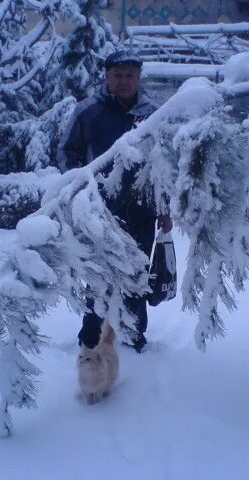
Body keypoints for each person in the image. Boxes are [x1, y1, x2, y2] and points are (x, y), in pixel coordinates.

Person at [57, 50, 172, 353]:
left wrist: (165, 207)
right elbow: (68, 153)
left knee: (136, 273)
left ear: (139, 77)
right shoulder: (88, 111)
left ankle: (133, 335)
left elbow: (163, 165)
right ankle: (91, 335)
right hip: (99, 210)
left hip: (142, 210)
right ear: (107, 77)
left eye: (130, 75)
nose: (124, 81)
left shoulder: (153, 114)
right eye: (117, 75)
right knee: (98, 272)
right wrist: (80, 189)